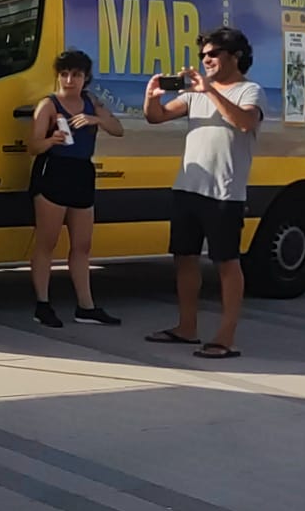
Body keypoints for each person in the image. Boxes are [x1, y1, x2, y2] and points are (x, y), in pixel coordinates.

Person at [144, 27, 263, 360]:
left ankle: (225, 337)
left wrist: (209, 90)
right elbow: (157, 117)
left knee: (226, 262)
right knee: (184, 258)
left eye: (212, 54)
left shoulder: (249, 90)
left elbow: (244, 123)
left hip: (224, 193)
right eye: (203, 56)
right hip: (187, 188)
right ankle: (186, 327)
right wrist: (152, 97)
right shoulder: (195, 93)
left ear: (234, 56)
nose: (206, 60)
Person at [28, 49, 124, 328]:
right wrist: (51, 140)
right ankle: (43, 304)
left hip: (82, 172)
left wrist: (97, 120)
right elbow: (33, 146)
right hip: (54, 171)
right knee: (47, 242)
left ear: (85, 78)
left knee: (82, 245)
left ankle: (86, 306)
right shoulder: (48, 105)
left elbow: (118, 129)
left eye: (76, 75)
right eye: (65, 74)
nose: (70, 80)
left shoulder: (91, 102)